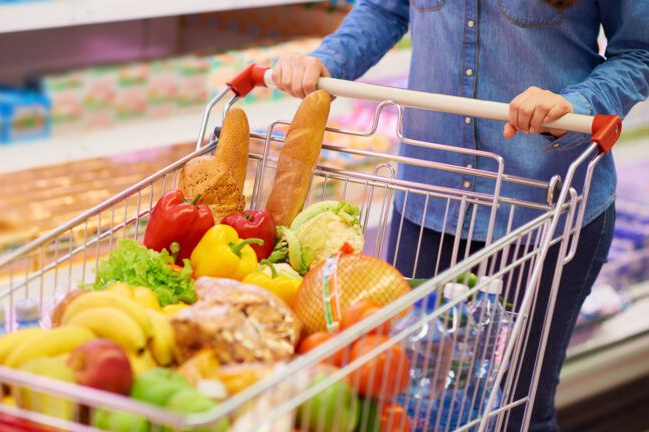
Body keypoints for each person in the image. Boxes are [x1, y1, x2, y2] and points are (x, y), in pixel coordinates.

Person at [271, 1, 649, 431]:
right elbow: (385, 9)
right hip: (428, 206)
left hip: (543, 215)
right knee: (407, 402)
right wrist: (326, 60)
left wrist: (575, 103)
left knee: (514, 411)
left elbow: (641, 52)